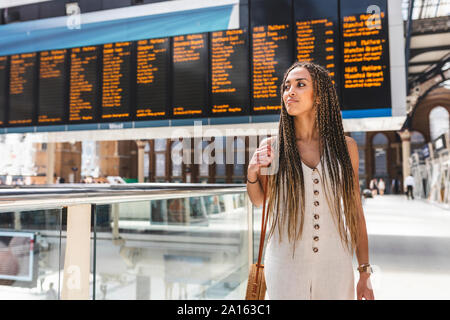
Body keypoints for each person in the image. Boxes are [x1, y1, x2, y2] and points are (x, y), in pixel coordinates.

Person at [246, 61, 374, 300]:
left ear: (319, 96)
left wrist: (364, 273)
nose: (289, 92)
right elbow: (262, 203)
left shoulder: (346, 148)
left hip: (335, 263)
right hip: (284, 263)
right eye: (286, 86)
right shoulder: (272, 147)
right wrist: (252, 173)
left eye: (300, 85)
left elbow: (355, 212)